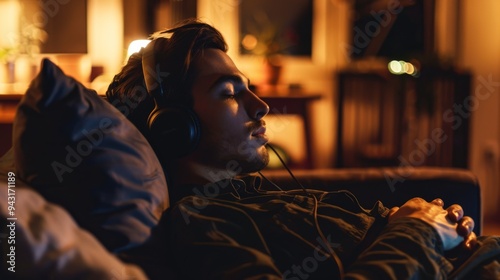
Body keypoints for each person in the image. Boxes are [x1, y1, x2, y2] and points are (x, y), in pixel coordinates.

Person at [107, 19, 498, 279]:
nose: (260, 106)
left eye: (247, 87)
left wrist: (412, 224)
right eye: (228, 93)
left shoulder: (255, 195)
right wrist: (418, 231)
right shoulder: (203, 224)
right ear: (176, 129)